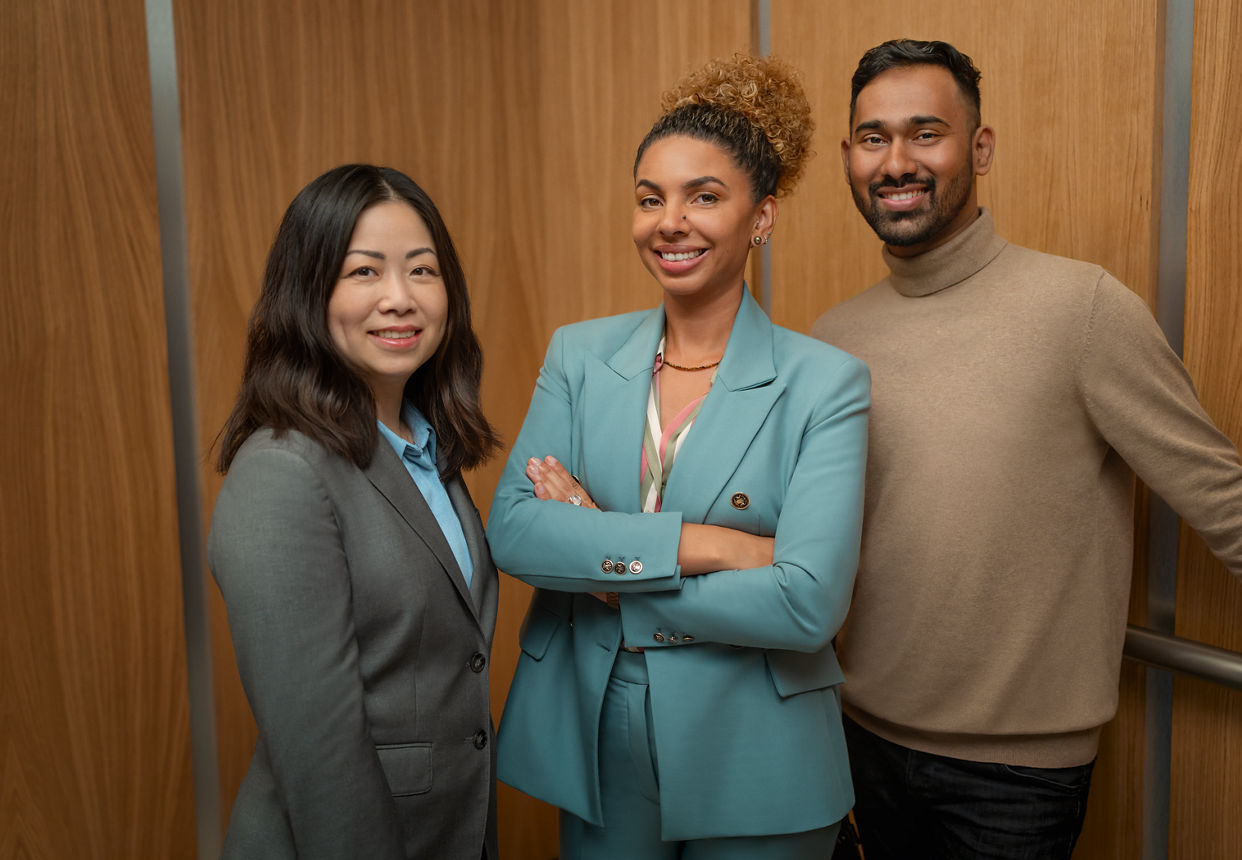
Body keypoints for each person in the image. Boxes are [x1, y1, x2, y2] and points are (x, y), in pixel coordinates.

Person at [812, 38, 1242, 859]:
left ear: (980, 148)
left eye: (926, 133)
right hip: (858, 743)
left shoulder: (1082, 310)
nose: (896, 161)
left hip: (1014, 783)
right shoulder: (833, 339)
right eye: (872, 137)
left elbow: (1232, 507)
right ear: (849, 157)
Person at [487, 54, 870, 859]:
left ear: (761, 217)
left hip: (758, 746)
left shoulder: (825, 384)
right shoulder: (579, 356)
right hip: (596, 728)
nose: (671, 221)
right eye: (649, 198)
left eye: (704, 197)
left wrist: (603, 559)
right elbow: (516, 533)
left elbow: (806, 605)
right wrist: (718, 548)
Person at [207, 164, 501, 860]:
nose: (399, 299)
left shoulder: (425, 448)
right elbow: (318, 746)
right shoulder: (282, 471)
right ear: (308, 292)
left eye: (422, 271)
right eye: (363, 273)